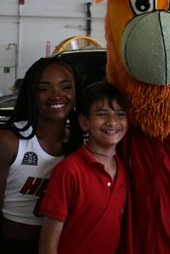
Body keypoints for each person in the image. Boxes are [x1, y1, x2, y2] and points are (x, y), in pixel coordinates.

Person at [0, 57, 81, 254]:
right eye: (44, 88)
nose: (56, 95)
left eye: (65, 87)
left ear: (75, 93)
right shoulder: (8, 142)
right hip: (14, 246)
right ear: (31, 94)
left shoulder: (77, 146)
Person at [39, 81, 128, 254]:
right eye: (102, 114)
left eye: (120, 114)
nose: (112, 122)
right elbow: (48, 246)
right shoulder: (68, 171)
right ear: (85, 122)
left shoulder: (124, 171)